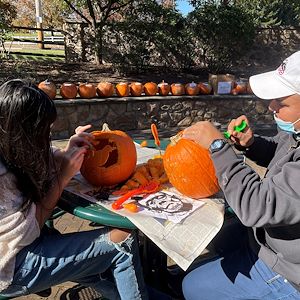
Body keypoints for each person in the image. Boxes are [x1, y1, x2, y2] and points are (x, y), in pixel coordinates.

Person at [0, 79, 149, 299]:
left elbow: (31, 157)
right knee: (122, 241)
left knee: (92, 262)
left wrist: (67, 149)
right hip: (13, 266)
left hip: (19, 249)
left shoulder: (6, 145)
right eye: (42, 132)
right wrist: (63, 177)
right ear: (22, 134)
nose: (47, 136)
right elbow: (34, 225)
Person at [181, 51, 300, 299]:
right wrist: (251, 144)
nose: (271, 106)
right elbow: (283, 151)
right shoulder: (296, 133)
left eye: (281, 101)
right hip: (276, 239)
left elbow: (256, 206)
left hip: (292, 272)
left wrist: (218, 148)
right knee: (218, 237)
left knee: (191, 286)